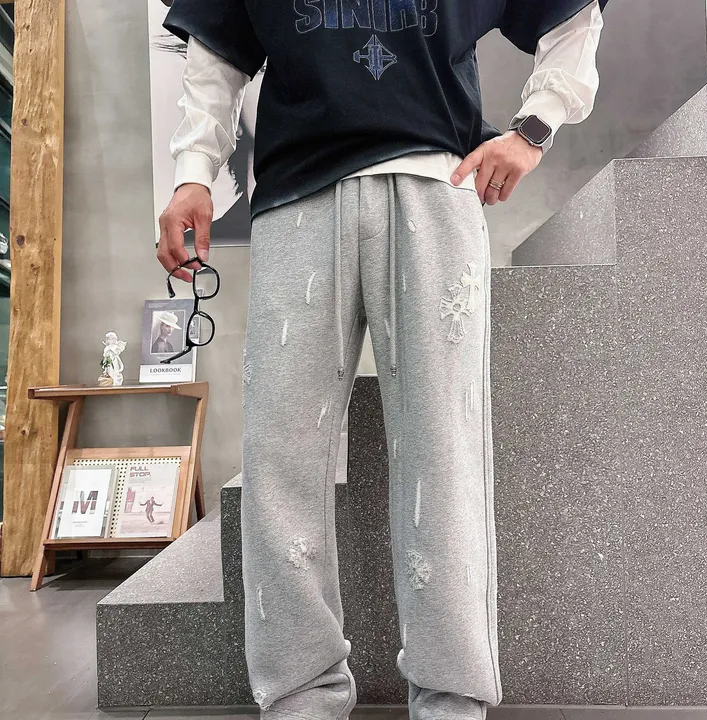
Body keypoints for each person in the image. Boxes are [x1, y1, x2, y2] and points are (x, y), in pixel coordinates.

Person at [158, 1, 608, 718]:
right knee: (279, 456)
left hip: (434, 187)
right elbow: (217, 51)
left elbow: (572, 15)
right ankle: (300, 696)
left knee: (444, 452)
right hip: (297, 196)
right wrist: (191, 172)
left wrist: (534, 129)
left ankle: (451, 697)